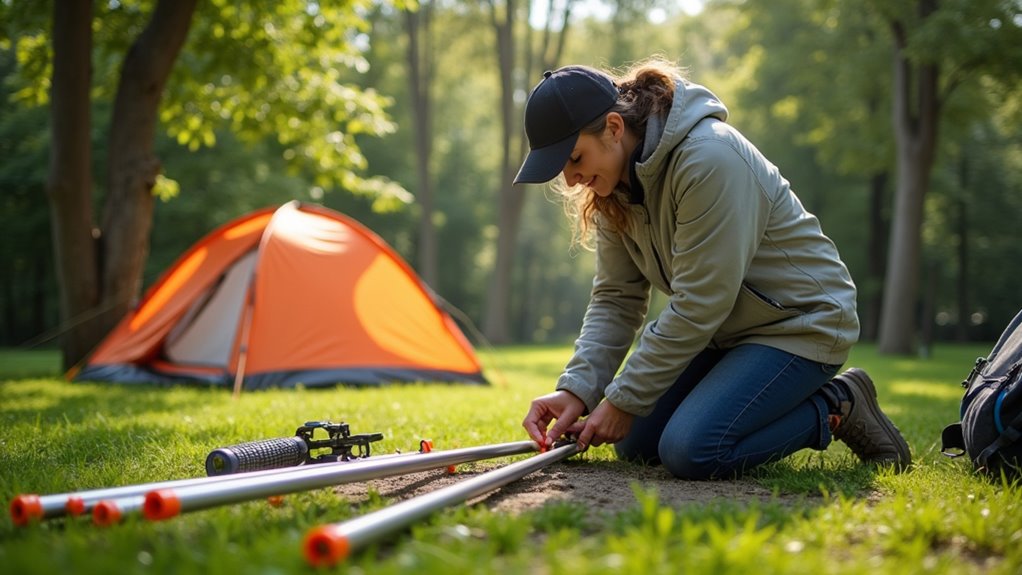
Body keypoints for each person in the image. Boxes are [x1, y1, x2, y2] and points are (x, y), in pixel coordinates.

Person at [516, 60, 911, 480]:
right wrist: (575, 390)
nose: (572, 180)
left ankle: (838, 404)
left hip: (800, 325)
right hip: (723, 333)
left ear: (614, 128)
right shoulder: (611, 190)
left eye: (575, 158)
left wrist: (623, 398)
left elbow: (700, 303)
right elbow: (616, 300)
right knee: (635, 444)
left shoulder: (708, 159)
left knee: (692, 450)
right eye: (562, 169)